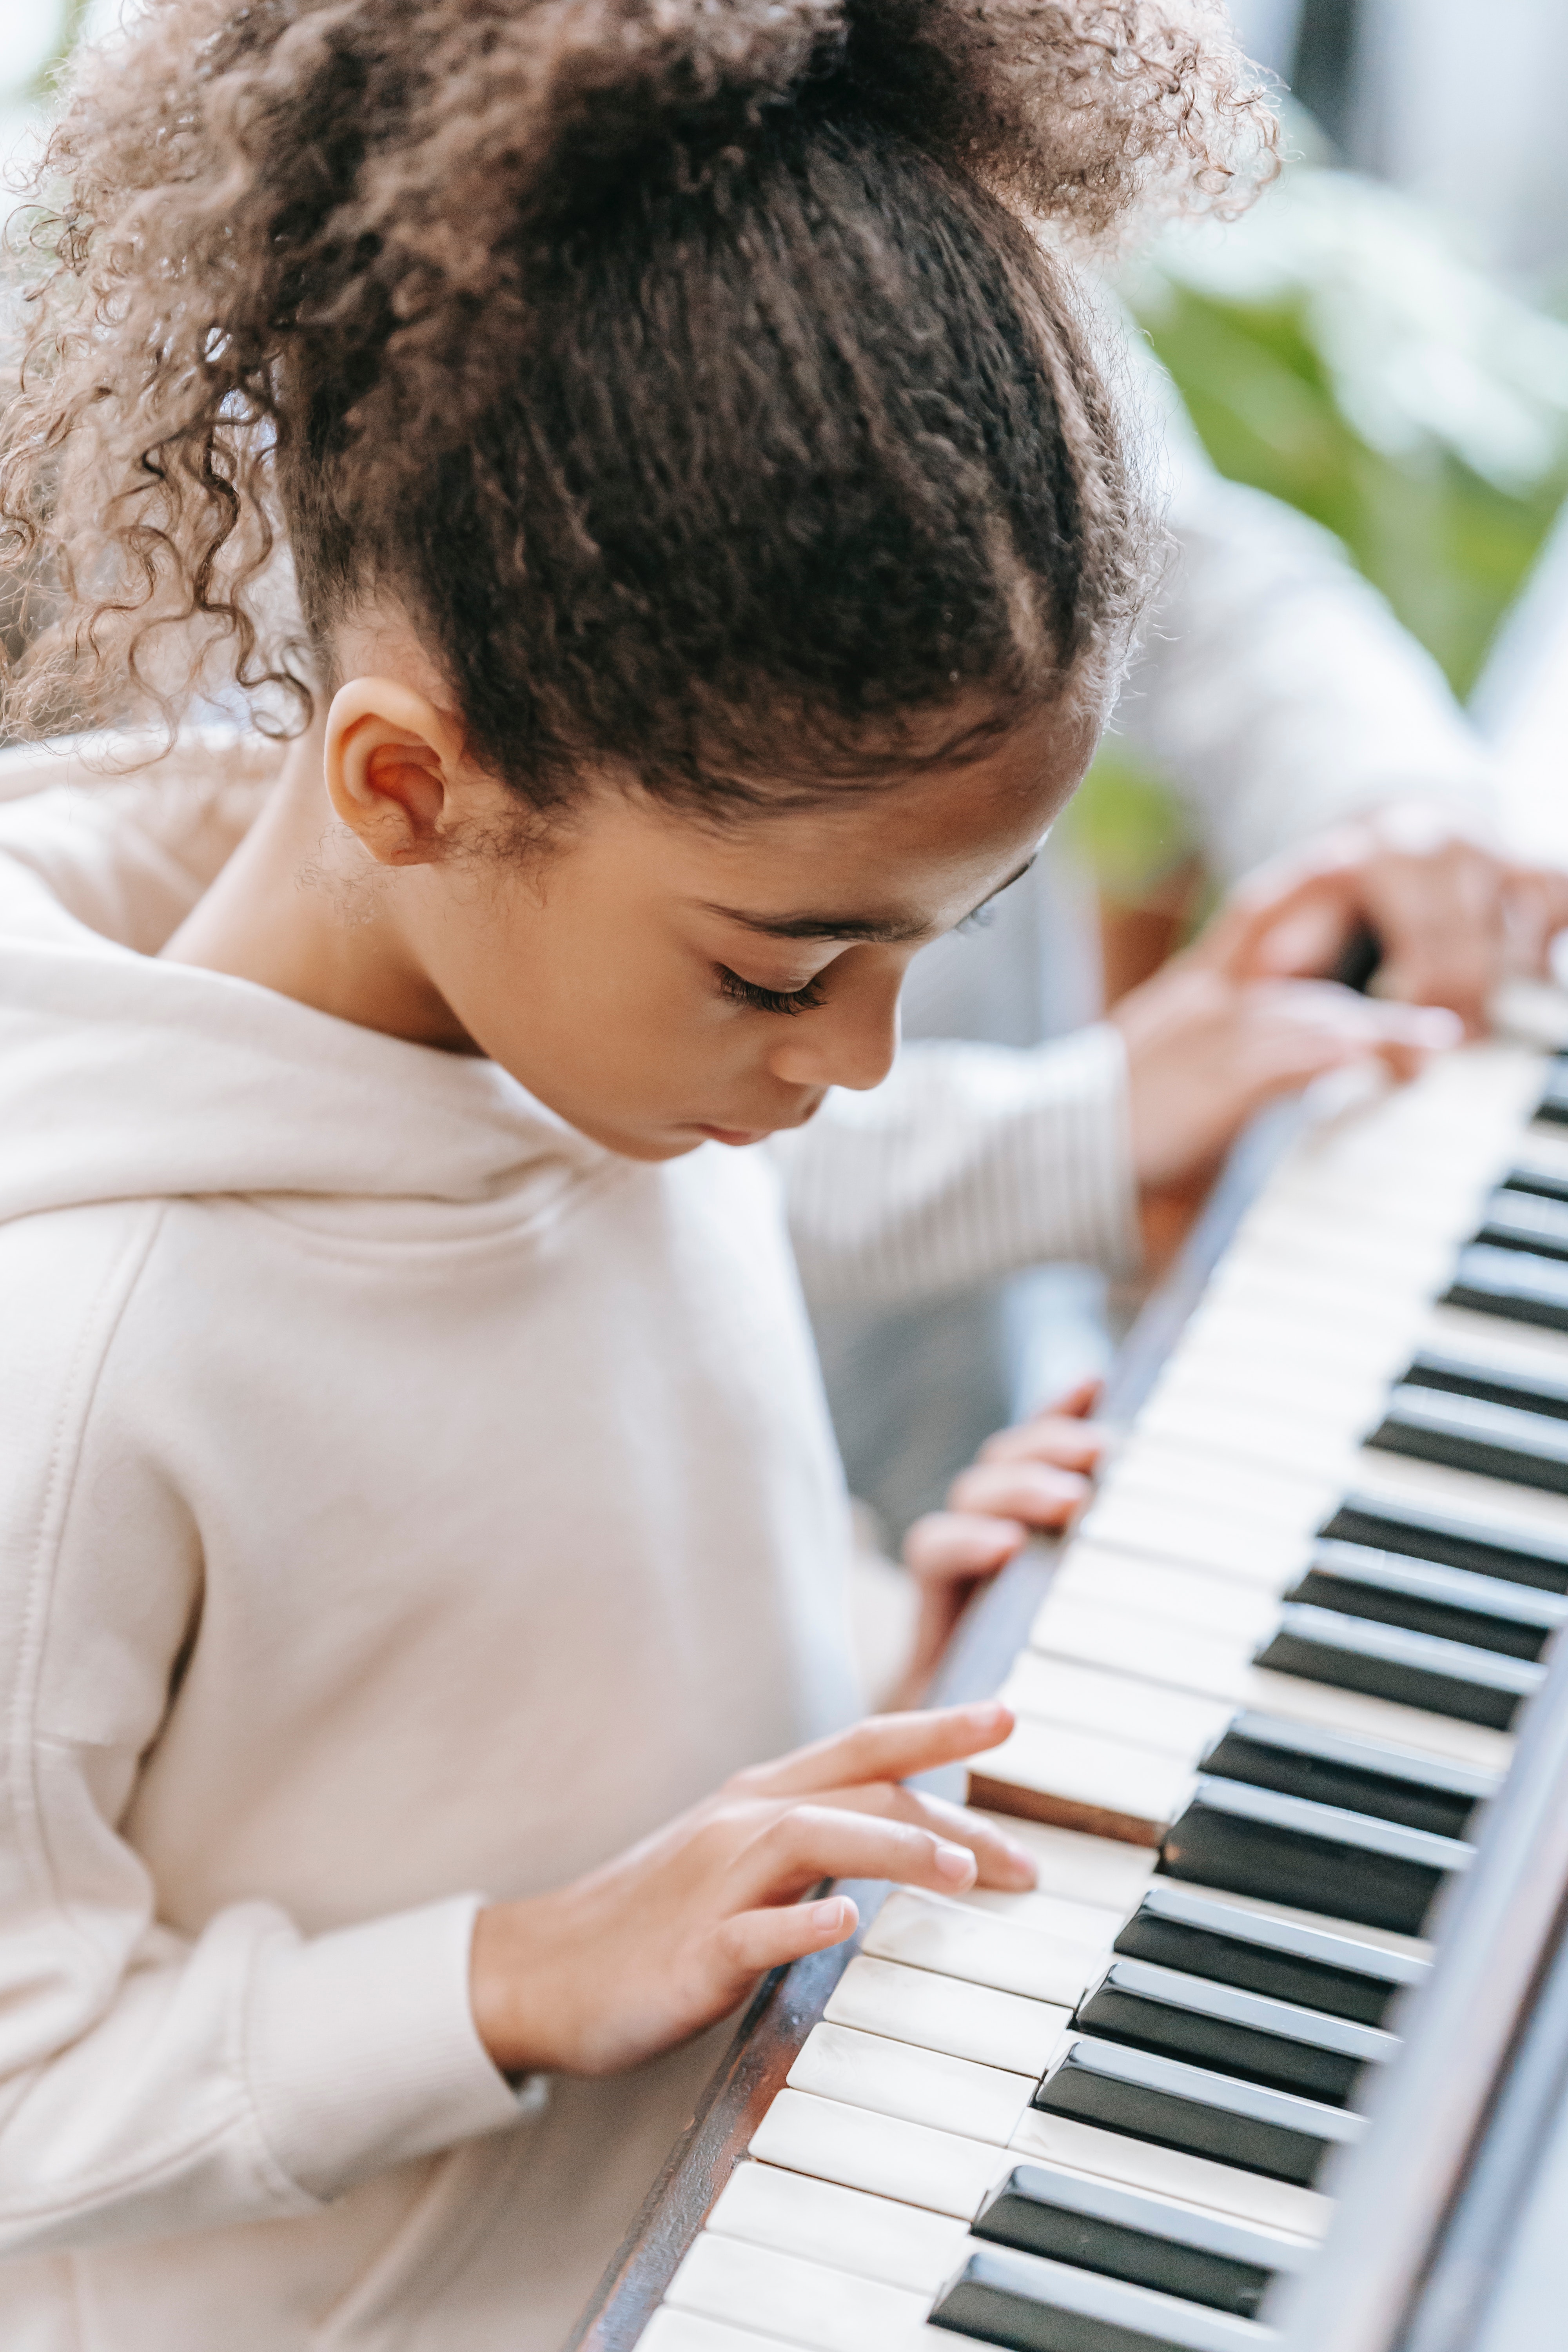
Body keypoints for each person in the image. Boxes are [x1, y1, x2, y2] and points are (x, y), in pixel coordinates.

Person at [0, 2, 1464, 2345]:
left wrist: (872, 1643)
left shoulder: (549, 1032)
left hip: (735, 2214)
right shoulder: (82, 1346)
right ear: (410, 791)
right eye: (793, 972)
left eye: (931, 952)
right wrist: (517, 1974)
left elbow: (596, 1374)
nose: (859, 1056)